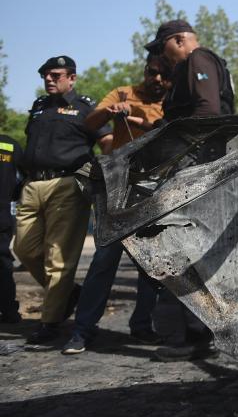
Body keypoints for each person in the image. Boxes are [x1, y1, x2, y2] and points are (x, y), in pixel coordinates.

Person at [61, 53, 170, 355]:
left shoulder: (171, 101)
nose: (157, 79)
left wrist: (138, 118)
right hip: (118, 186)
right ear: (145, 71)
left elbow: (169, 128)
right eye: (152, 72)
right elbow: (89, 124)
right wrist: (112, 110)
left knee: (150, 263)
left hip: (154, 189)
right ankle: (82, 330)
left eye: (164, 75)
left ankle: (142, 326)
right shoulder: (123, 92)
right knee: (104, 259)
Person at [144, 20, 235, 360]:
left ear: (179, 40)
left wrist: (176, 155)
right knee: (189, 252)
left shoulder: (197, 60)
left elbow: (207, 113)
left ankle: (189, 338)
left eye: (162, 47)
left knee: (178, 250)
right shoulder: (200, 64)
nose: (161, 57)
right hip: (199, 166)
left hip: (193, 168)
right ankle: (196, 333)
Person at [14, 56, 113, 344]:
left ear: (72, 78)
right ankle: (70, 294)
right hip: (33, 186)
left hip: (67, 184)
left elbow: (106, 140)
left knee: (58, 259)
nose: (48, 79)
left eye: (55, 74)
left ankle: (51, 322)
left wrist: (103, 172)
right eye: (45, 74)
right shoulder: (39, 107)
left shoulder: (85, 107)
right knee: (25, 249)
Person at [0, 134, 23, 323]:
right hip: (3, 211)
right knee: (3, 260)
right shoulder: (9, 144)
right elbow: (26, 173)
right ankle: (8, 310)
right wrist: (13, 194)